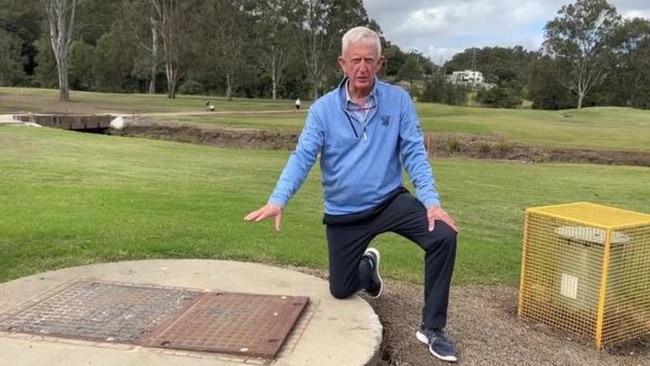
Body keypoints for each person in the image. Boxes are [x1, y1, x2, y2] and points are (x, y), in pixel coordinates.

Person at [244, 26, 459, 363]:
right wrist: (278, 199)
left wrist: (432, 203)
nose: (362, 68)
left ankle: (433, 328)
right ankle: (367, 267)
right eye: (355, 60)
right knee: (341, 290)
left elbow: (415, 153)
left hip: (390, 201)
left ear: (380, 63)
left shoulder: (398, 101)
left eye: (369, 61)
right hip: (345, 212)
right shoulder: (322, 110)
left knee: (443, 235)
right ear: (342, 63)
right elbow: (302, 157)